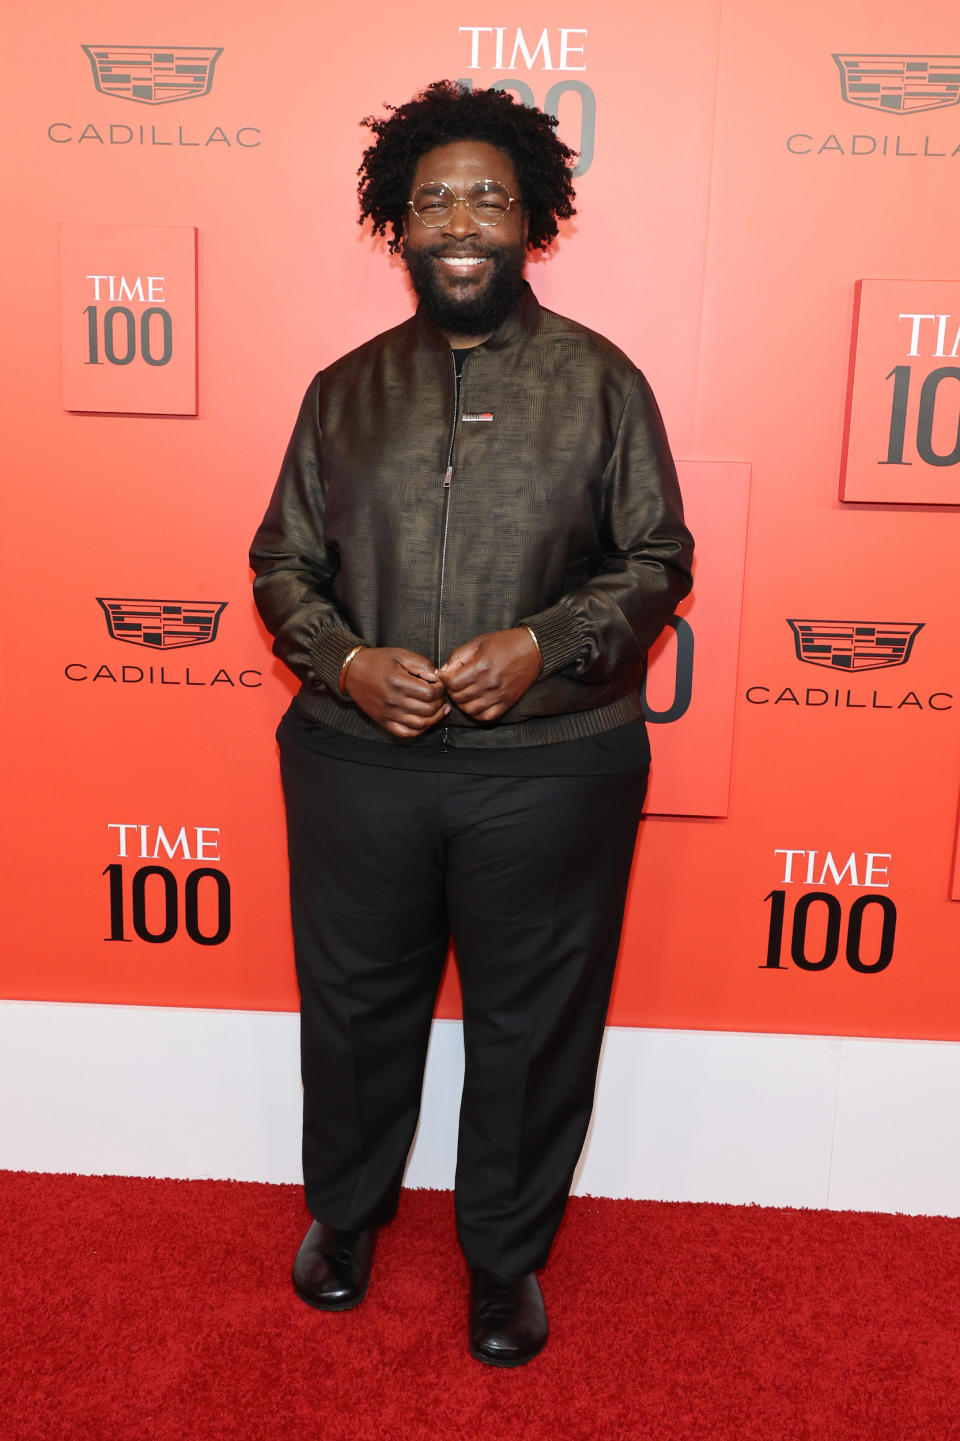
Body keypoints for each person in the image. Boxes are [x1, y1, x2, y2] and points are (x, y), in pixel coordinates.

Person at [249, 79, 693, 1368]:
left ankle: (504, 1260)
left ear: (531, 221)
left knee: (534, 1018)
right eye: (433, 196)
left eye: (487, 198)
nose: (460, 221)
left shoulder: (601, 381)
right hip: (358, 766)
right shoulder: (342, 392)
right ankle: (346, 1219)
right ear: (395, 219)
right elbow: (281, 566)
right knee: (353, 1007)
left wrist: (544, 645)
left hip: (552, 773)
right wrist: (345, 661)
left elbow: (657, 556)